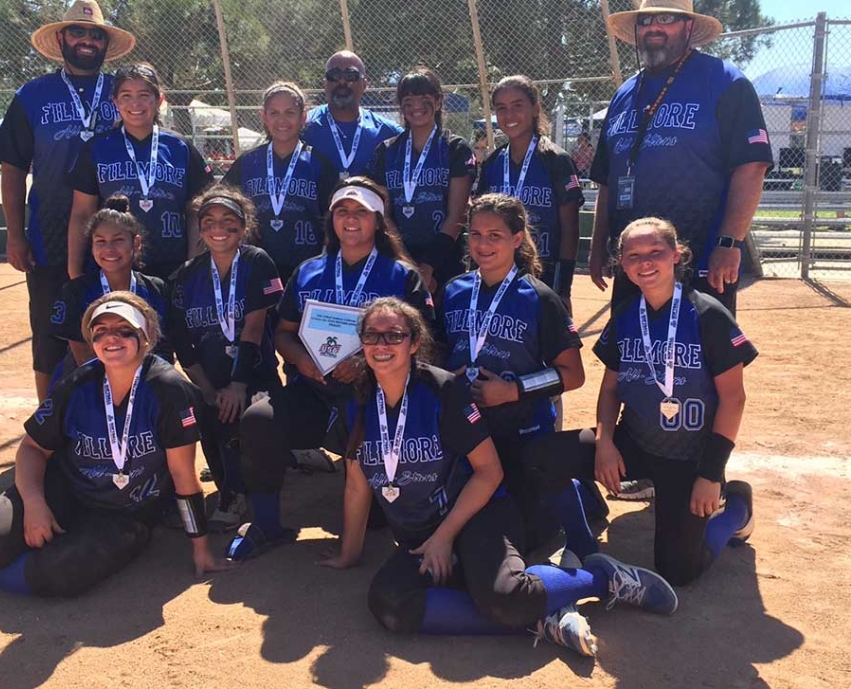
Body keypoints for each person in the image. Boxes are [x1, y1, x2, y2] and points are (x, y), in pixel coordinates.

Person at [316, 297, 678, 657]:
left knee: (504, 597)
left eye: (394, 335)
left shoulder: (441, 390)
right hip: (420, 535)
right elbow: (356, 480)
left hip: (478, 516)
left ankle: (602, 578)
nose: (382, 345)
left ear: (413, 343)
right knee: (389, 604)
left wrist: (445, 537)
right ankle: (538, 619)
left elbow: (490, 472)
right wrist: (350, 553)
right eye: (372, 335)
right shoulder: (357, 400)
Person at [0, 292, 230, 595]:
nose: (112, 339)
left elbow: (184, 475)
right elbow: (32, 449)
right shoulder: (78, 383)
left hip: (127, 513)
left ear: (147, 337)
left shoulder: (169, 390)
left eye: (125, 331)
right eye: (101, 332)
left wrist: (200, 547)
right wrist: (35, 503)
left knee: (62, 572)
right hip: (68, 490)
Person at [526, 217, 758, 586]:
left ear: (676, 254)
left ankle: (737, 506)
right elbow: (610, 390)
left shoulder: (708, 315)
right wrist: (604, 443)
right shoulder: (626, 315)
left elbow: (734, 399)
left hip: (688, 457)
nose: (645, 262)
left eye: (656, 252)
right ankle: (583, 540)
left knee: (678, 571)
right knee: (540, 456)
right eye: (633, 255)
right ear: (622, 262)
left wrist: (710, 474)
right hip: (634, 442)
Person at [226, 178, 434, 561]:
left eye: (360, 212)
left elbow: (425, 346)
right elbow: (283, 334)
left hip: (376, 399)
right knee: (259, 419)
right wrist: (301, 360)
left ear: (377, 220)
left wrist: (366, 364)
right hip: (315, 390)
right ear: (331, 219)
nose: (350, 220)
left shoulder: (402, 275)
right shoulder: (308, 272)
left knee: (376, 521)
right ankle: (267, 523)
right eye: (342, 211)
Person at [588, 0, 773, 317]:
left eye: (666, 18)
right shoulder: (625, 93)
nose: (654, 27)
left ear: (688, 27)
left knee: (703, 358)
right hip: (633, 260)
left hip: (701, 255)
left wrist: (729, 243)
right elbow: (607, 180)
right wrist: (599, 244)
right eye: (646, 20)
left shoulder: (725, 81)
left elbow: (752, 165)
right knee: (632, 352)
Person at [0, 0, 135, 402]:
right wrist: (15, 235)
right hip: (50, 235)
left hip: (115, 238)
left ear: (105, 44)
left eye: (95, 34)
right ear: (61, 38)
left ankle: (124, 419)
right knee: (52, 330)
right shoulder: (32, 95)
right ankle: (49, 423)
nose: (87, 40)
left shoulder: (124, 91)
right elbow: (14, 168)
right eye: (78, 32)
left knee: (122, 325)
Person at [440, 194, 597, 552]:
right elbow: (440, 354)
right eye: (475, 234)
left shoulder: (539, 297)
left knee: (535, 532)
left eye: (494, 235)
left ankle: (585, 543)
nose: (482, 244)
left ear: (516, 238)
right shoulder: (453, 291)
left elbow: (572, 375)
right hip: (471, 429)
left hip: (524, 430)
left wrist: (514, 390)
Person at [169, 187, 284, 531]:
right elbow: (182, 343)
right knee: (205, 413)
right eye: (209, 221)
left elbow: (253, 329)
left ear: (244, 226)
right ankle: (230, 488)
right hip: (211, 380)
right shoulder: (185, 276)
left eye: (228, 221)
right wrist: (205, 389)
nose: (219, 228)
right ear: (200, 229)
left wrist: (237, 385)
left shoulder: (257, 261)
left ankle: (248, 486)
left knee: (248, 414)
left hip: (255, 376)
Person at [68, 63, 215, 281]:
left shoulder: (179, 146)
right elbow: (82, 213)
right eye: (126, 95)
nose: (135, 103)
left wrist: (193, 262)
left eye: (144, 95)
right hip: (114, 268)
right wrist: (75, 271)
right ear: (115, 101)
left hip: (172, 268)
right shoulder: (97, 148)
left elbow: (197, 211)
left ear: (159, 100)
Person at [476, 76, 584, 308]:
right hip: (497, 271)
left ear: (535, 108)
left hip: (544, 273)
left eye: (518, 106)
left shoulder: (556, 160)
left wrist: (564, 286)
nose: (509, 115)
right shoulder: (493, 163)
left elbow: (570, 227)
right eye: (501, 108)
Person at [369, 68, 476, 295]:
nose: (416, 107)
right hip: (398, 260)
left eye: (424, 99)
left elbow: (457, 215)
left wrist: (428, 267)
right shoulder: (386, 151)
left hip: (444, 260)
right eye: (408, 101)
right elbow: (384, 213)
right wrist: (407, 263)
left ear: (438, 102)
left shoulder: (456, 149)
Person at [224, 81, 339, 283]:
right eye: (274, 113)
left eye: (290, 112)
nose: (282, 120)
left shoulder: (319, 164)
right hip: (255, 266)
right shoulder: (248, 162)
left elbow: (333, 219)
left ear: (303, 117)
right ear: (264, 117)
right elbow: (222, 203)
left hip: (306, 267)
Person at [50, 196, 171, 371]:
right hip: (93, 380)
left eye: (118, 240)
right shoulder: (76, 291)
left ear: (136, 243)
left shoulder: (156, 289)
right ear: (92, 246)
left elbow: (164, 350)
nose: (109, 249)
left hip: (145, 380)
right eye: (100, 241)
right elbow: (82, 355)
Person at [301, 51, 402, 178]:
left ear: (364, 84)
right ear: (324, 83)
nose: (342, 82)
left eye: (351, 75)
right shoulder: (303, 127)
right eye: (334, 75)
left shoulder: (388, 133)